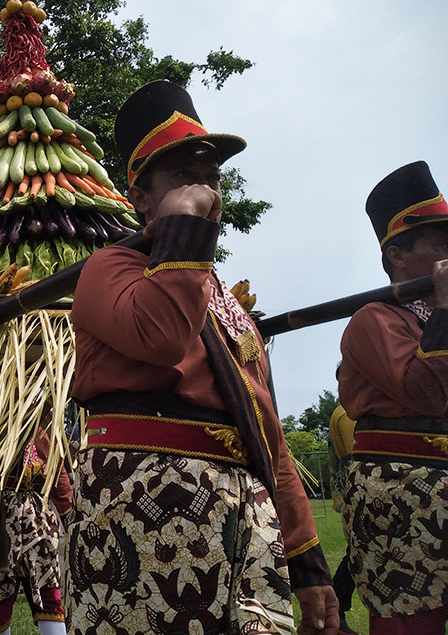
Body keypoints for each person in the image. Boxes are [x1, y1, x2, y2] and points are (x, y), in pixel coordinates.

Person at [69, 80, 337, 635]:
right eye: (183, 178)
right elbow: (162, 336)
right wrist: (184, 229)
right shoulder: (108, 270)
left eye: (212, 177)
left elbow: (269, 435)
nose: (206, 191)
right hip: (144, 512)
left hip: (245, 515)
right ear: (140, 198)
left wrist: (307, 560)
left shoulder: (224, 304)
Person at [338, 160, 448, 635]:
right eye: (440, 243)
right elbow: (428, 392)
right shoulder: (374, 318)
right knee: (411, 624)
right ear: (398, 256)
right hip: (402, 494)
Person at [0, 433, 71, 635]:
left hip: (35, 517)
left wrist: (67, 511)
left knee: (47, 591)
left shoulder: (39, 427)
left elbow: (57, 469)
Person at [327, 381, 358, 635]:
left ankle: (337, 607)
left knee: (357, 551)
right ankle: (337, 606)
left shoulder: (339, 412)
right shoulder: (346, 412)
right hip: (360, 485)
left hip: (354, 485)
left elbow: (336, 459)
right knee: (358, 552)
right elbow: (339, 459)